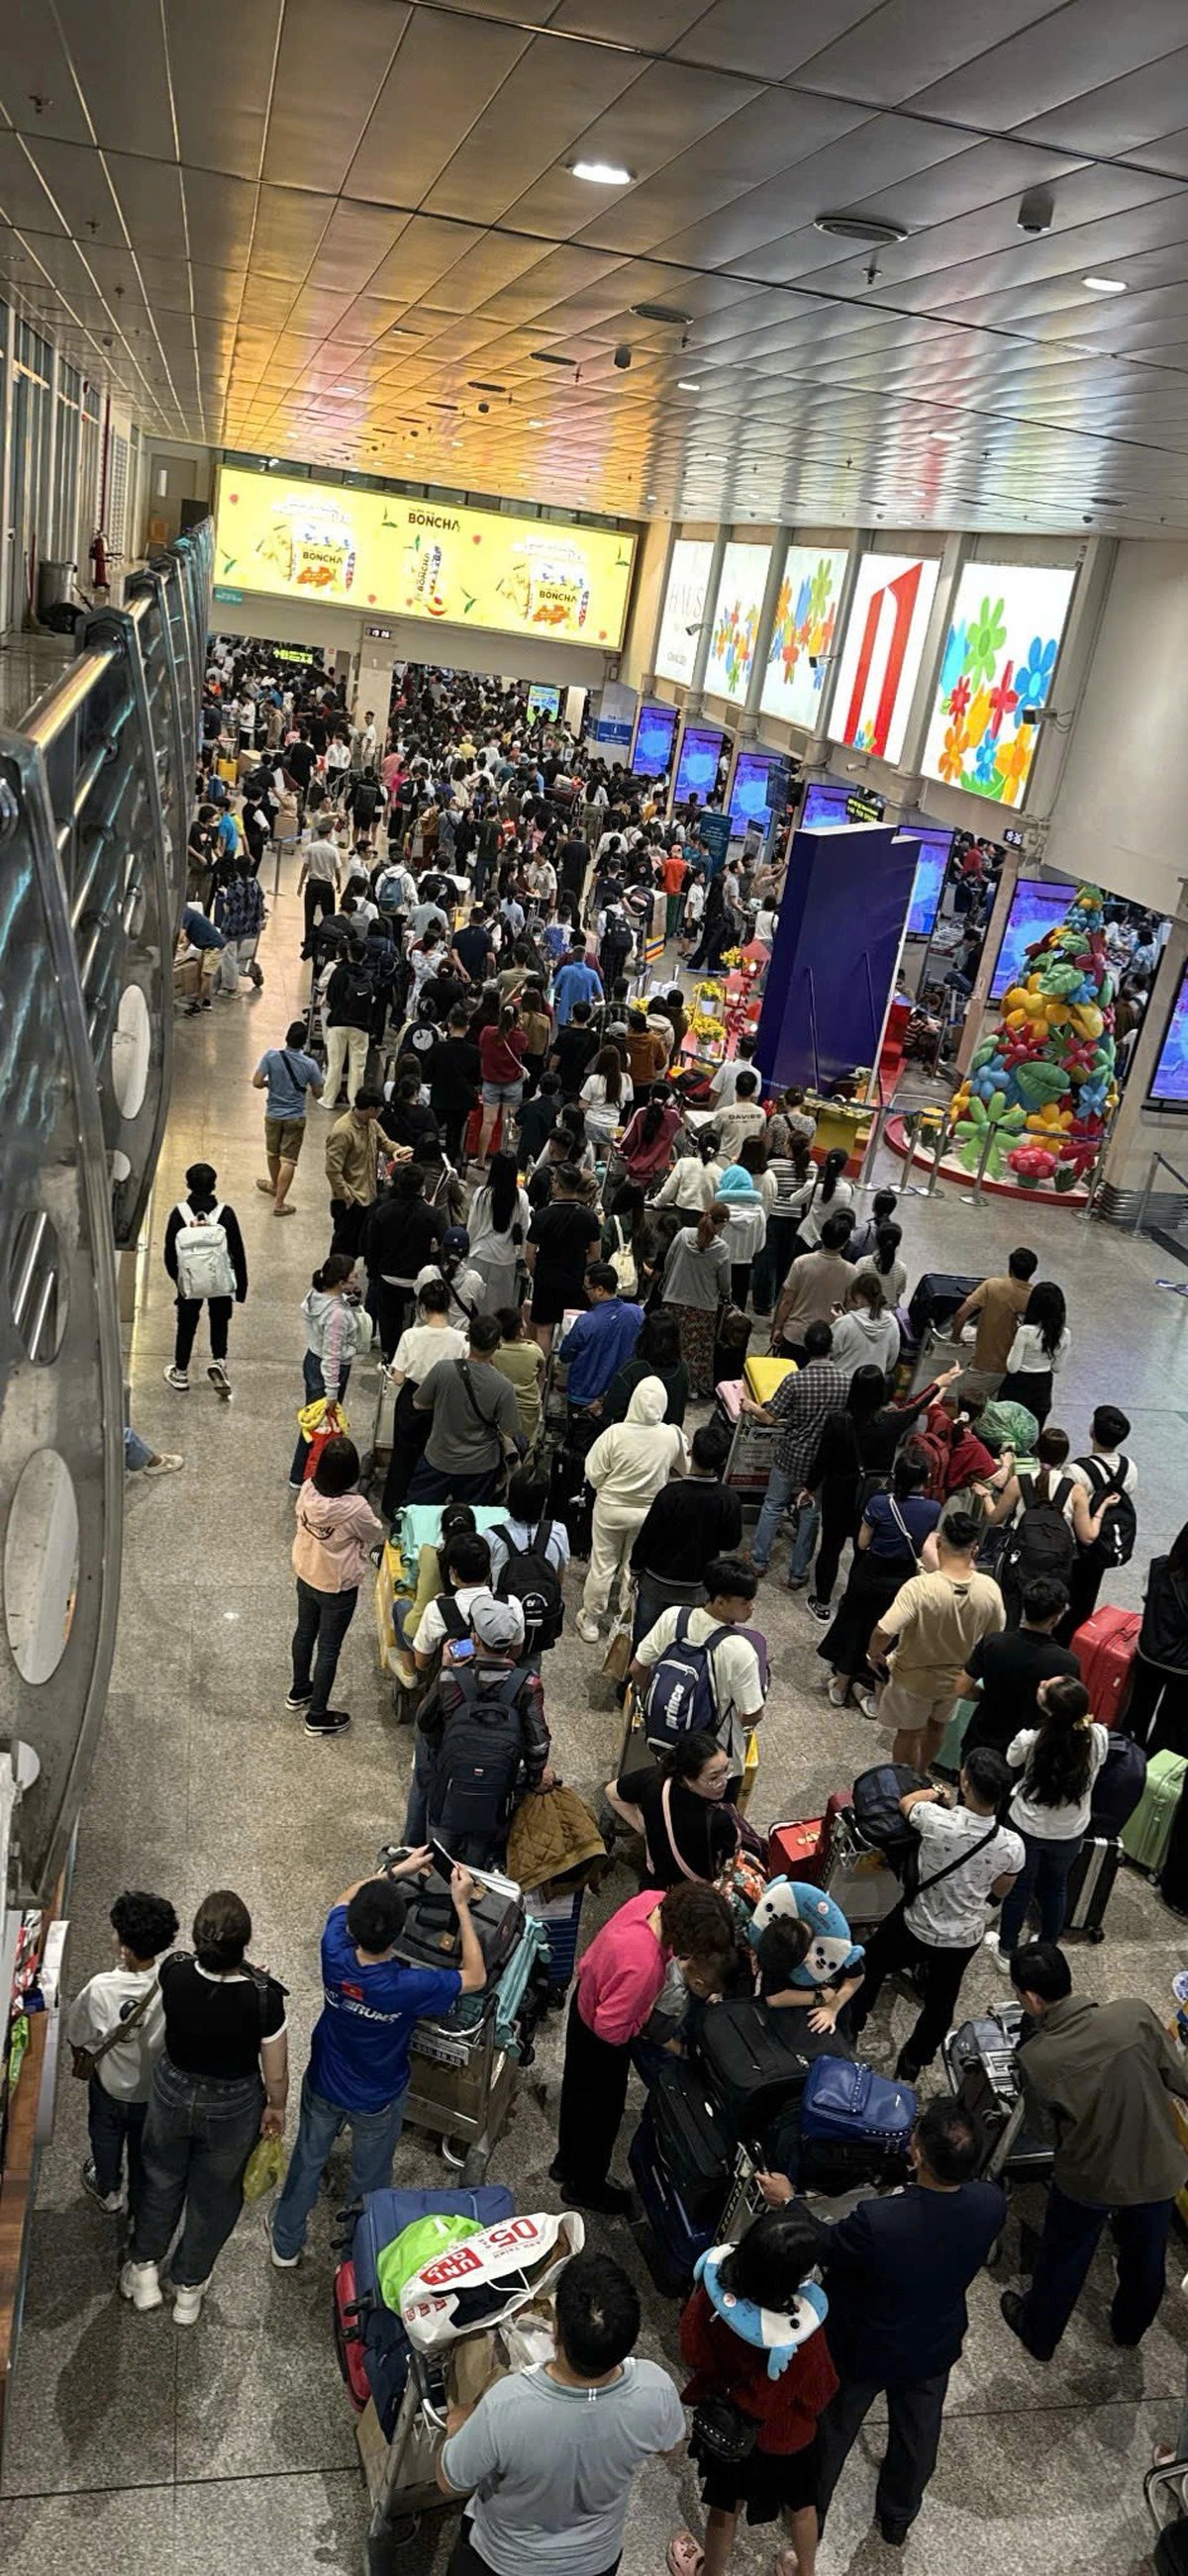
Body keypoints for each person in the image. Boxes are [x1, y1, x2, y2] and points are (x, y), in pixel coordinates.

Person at [778, 2098, 1006, 2549]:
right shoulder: (990, 2203)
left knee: (835, 2428)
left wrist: (789, 2202)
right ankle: (898, 2516)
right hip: (934, 2341)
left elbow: (828, 2245)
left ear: (917, 2153)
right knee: (918, 2433)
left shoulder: (880, 2220)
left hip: (864, 2344)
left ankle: (809, 2510)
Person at [269, 1860, 484, 2266]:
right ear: (399, 1933)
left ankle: (286, 2241)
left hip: (325, 2082)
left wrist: (394, 1871)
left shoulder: (334, 1952)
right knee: (370, 2178)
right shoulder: (407, 1986)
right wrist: (460, 1905)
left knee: (306, 2161)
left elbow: (343, 1898)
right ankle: (359, 2252)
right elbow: (475, 1976)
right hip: (379, 2095)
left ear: (352, 1929)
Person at [438, 2250, 685, 2576]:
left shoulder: (507, 2405)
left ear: (556, 2331)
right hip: (596, 2563)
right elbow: (674, 2448)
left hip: (503, 2563)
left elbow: (449, 2481)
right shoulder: (656, 2389)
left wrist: (458, 2425)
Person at [1001, 1942, 1188, 2361]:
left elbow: (1045, 2133)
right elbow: (1179, 2076)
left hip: (1091, 2179)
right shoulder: (1133, 2013)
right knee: (1146, 2258)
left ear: (1031, 1998)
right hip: (1159, 2167)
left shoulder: (1038, 2057)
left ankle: (1040, 2332)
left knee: (1064, 2256)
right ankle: (1128, 2330)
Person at [120, 1890, 288, 2327]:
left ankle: (144, 2270)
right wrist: (277, 2108)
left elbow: (204, 1986)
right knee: (215, 2195)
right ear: (245, 1943)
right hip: (233, 2104)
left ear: (196, 1937)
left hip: (173, 2089)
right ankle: (189, 2290)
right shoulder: (265, 1999)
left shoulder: (173, 1970)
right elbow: (276, 2074)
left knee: (160, 2176)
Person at [549, 1881, 735, 2213]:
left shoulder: (653, 1901)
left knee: (576, 2098)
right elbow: (610, 2028)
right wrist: (641, 2022)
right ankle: (584, 2187)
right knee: (601, 2117)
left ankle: (566, 2163)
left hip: (585, 2000)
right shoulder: (645, 1966)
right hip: (601, 2040)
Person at [672, 2207, 838, 2576]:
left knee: (724, 2509)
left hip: (729, 2430)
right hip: (790, 2439)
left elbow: (692, 2350)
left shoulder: (712, 2296)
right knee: (802, 2505)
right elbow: (818, 2393)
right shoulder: (803, 2336)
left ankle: (712, 2573)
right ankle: (804, 2571)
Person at [847, 1754, 1022, 2081]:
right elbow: (1000, 1890)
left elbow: (907, 1802)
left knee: (870, 1962)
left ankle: (852, 2024)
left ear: (965, 1783)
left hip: (917, 1924)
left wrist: (938, 1793)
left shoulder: (936, 1820)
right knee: (943, 2000)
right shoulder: (1012, 1845)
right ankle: (914, 2060)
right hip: (965, 1936)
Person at [859, 1509, 1006, 1765]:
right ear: (975, 1548)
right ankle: (922, 1774)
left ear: (939, 1542)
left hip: (914, 1676)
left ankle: (904, 1784)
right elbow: (994, 1640)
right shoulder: (989, 1589)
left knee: (909, 1732)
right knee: (937, 1728)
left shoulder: (920, 1587)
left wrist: (874, 1654)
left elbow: (885, 1630)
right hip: (955, 1677)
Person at [66, 1888, 180, 2216]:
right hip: (152, 2090)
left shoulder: (101, 1987)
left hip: (110, 2086)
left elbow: (78, 2033)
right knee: (145, 2148)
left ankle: (108, 2189)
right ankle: (141, 2201)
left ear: (124, 1948)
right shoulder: (171, 1980)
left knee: (105, 2137)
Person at [426, 1595, 551, 1863]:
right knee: (479, 1859)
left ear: (476, 1640)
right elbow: (537, 1744)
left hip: (451, 1783)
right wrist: (533, 1779)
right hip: (496, 1789)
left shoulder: (451, 1678)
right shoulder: (527, 1684)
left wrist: (444, 1668)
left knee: (440, 1856)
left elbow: (425, 1721)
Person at [818, 1441, 942, 1707]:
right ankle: (875, 1698)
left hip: (870, 1573)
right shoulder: (933, 1510)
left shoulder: (879, 1503)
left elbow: (862, 1543)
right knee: (888, 1635)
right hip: (903, 1579)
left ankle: (840, 1688)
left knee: (854, 1628)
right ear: (926, 1478)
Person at [991, 1676, 1106, 1960]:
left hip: (1027, 1826)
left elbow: (1010, 1761)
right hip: (1070, 1831)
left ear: (1048, 1709)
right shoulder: (1099, 1736)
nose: (1041, 1682)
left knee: (1019, 1887)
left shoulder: (1030, 1739)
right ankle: (1048, 1943)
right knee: (1056, 1887)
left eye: (1045, 1686)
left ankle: (1006, 1950)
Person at [631, 1558, 767, 1783]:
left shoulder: (674, 1617)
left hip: (664, 1740)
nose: (752, 1607)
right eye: (745, 1602)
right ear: (721, 1603)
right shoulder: (740, 1649)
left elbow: (637, 1667)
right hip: (710, 1758)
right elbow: (753, 1713)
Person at [287, 1433, 383, 1737]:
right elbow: (374, 1533)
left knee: (304, 1632)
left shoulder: (306, 1490)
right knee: (329, 1648)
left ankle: (299, 1689)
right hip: (337, 1584)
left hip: (307, 1572)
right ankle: (317, 1715)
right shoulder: (356, 1508)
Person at [576, 1379, 687, 1643]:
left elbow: (593, 1473)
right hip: (648, 1513)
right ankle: (624, 1620)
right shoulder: (671, 1435)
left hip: (611, 1508)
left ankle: (591, 1621)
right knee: (632, 1567)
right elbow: (686, 1468)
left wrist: (607, 1490)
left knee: (603, 1565)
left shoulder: (615, 1433)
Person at [745, 1319, 848, 1576]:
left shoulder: (795, 1380)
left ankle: (759, 1561)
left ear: (806, 1346)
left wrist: (749, 1405)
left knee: (773, 1505)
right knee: (811, 1515)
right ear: (831, 1346)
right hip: (822, 1463)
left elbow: (769, 1417)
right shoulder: (845, 1381)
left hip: (791, 1455)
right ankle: (798, 1572)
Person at [628, 1423, 742, 1642]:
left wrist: (635, 1568)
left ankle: (637, 1676)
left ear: (691, 1453)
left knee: (646, 1637)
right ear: (722, 1461)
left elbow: (647, 1536)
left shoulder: (670, 1494)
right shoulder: (729, 1499)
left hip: (657, 1581)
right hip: (698, 1585)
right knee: (685, 1639)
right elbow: (730, 1542)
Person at [984, 1424, 1104, 1627]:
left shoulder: (1018, 1482)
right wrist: (1101, 1511)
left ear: (1037, 1451)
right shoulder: (1075, 1490)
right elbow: (1088, 1536)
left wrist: (985, 1496)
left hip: (1019, 1560)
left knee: (1010, 1615)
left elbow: (995, 1518)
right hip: (1055, 1567)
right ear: (1064, 1457)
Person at [958, 1574, 1080, 1759]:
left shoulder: (993, 1643)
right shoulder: (1067, 1663)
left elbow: (960, 1688)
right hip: (1029, 1751)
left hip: (982, 1740)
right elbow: (1068, 1715)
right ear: (1055, 1619)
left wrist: (985, 1696)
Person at [410, 1312, 523, 1503]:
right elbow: (509, 1430)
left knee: (417, 1512)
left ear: (468, 1338)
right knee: (472, 1522)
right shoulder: (503, 1386)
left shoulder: (443, 1369)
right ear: (497, 1345)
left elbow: (418, 1403)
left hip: (439, 1457)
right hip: (479, 1466)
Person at [381, 1278, 470, 1519]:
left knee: (403, 1456)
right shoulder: (462, 1340)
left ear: (422, 1306)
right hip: (444, 1404)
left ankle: (394, 1506)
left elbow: (398, 1378)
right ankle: (426, 1510)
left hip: (412, 1399)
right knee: (435, 1459)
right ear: (449, 1304)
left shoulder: (411, 1336)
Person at [606, 1731, 738, 1890]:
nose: (723, 1782)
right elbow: (731, 1857)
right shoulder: (718, 1820)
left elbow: (612, 1792)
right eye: (713, 1777)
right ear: (689, 1778)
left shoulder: (654, 1780)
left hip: (656, 1884)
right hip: (697, 1895)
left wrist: (645, 1828)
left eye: (726, 1770)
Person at [162, 1161, 248, 1396]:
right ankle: (218, 1361)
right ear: (214, 1185)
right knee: (220, 1320)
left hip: (189, 1282)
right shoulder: (226, 1214)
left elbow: (170, 1253)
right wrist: (240, 1289)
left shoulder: (179, 1213)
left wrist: (179, 1280)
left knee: (187, 1325)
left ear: (188, 1184)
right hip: (218, 1281)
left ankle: (180, 1372)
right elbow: (237, 1252)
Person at [288, 1253, 367, 1487]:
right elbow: (332, 1354)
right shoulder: (336, 1315)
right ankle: (304, 1476)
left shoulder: (317, 1295)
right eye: (353, 1275)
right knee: (319, 1426)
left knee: (314, 1420)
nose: (357, 1276)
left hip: (313, 1360)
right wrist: (332, 1392)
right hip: (328, 1371)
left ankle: (301, 1474)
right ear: (341, 1282)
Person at [1063, 1402, 1138, 1634]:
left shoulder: (1077, 1471)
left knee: (1065, 1595)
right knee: (1086, 1596)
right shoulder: (1130, 1468)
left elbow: (1067, 1507)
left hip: (1076, 1543)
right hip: (1104, 1543)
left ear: (1092, 1432)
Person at [362, 1163, 446, 1360]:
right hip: (418, 1280)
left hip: (388, 1278)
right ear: (421, 1188)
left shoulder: (382, 1212)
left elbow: (372, 1247)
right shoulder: (433, 1215)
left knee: (389, 1325)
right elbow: (444, 1243)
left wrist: (374, 1274)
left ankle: (389, 1358)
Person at [525, 1162, 602, 1355]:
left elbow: (529, 1254)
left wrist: (538, 1271)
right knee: (570, 1328)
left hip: (546, 1280)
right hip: (574, 1280)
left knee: (543, 1330)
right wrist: (576, 1264)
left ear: (558, 1185)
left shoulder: (542, 1216)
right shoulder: (589, 1218)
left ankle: (542, 1375)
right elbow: (595, 1254)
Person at [252, 1018, 324, 1214]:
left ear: (286, 1038)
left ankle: (276, 1186)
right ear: (304, 1043)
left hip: (273, 1114)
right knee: (289, 1160)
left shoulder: (271, 1056)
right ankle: (279, 1203)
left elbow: (257, 1082)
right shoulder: (310, 1064)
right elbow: (319, 1093)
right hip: (295, 1117)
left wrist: (270, 1084)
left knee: (273, 1154)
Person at [1130, 1520, 1188, 1756]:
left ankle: (1127, 1758)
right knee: (1171, 1722)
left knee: (1137, 1710)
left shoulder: (1158, 1567)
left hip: (1149, 1653)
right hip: (1184, 1666)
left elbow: (1146, 1598)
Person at [660, 1203, 731, 1397]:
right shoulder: (721, 1248)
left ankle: (667, 1382)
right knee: (696, 1350)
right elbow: (724, 1284)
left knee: (671, 1344)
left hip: (673, 1299)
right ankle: (692, 1388)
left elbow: (668, 1262)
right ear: (722, 1224)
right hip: (703, 1307)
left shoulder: (683, 1235)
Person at [769, 1211, 855, 1363]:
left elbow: (787, 1301)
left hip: (795, 1334)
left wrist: (778, 1327)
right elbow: (847, 1307)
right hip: (827, 1340)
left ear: (821, 1236)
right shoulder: (851, 1271)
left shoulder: (801, 1263)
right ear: (845, 1243)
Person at [559, 1265, 644, 1413]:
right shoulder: (636, 1314)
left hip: (583, 1397)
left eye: (587, 1289)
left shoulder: (586, 1322)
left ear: (599, 1290)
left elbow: (565, 1354)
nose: (586, 1293)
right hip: (619, 1398)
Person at [950, 1246, 1038, 1391]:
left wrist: (955, 1337)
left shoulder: (992, 1285)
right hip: (1015, 1371)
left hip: (985, 1367)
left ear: (1010, 1269)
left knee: (967, 1408)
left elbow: (961, 1314)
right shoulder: (1034, 1297)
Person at [325, 1087, 393, 1260]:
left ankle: (348, 1280)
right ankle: (336, 1280)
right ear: (370, 1109)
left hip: (367, 1196)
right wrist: (347, 1196)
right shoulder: (343, 1131)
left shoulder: (371, 1124)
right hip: (349, 1200)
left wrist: (403, 1151)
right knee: (343, 1246)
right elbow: (333, 1170)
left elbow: (384, 1143)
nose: (381, 1112)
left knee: (357, 1245)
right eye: (379, 1109)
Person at [996, 1278, 1069, 1428]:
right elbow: (1057, 1368)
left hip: (1018, 1387)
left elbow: (1013, 1367)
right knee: (1032, 1432)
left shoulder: (1025, 1332)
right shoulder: (1065, 1334)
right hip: (1043, 1388)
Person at [601, 1307, 689, 1428]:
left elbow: (611, 1408)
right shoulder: (682, 1369)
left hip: (631, 1438)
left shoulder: (632, 1369)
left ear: (644, 1336)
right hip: (668, 1438)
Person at [467, 1151, 532, 1312]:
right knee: (499, 1310)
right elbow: (525, 1228)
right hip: (505, 1260)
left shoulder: (481, 1194)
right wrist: (521, 1257)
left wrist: (467, 1249)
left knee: (474, 1305)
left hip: (479, 1254)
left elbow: (472, 1226)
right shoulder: (521, 1196)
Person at [321, 941, 375, 1110]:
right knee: (358, 1066)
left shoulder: (338, 972)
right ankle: (355, 1103)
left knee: (335, 1063)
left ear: (349, 954)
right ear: (365, 956)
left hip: (338, 1023)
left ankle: (328, 1099)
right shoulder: (369, 976)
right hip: (361, 1026)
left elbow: (329, 1000)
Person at [427, 1006, 481, 1167]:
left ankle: (430, 1162)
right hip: (461, 1101)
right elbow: (477, 1079)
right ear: (468, 1027)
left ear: (449, 1025)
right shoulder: (474, 1052)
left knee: (433, 1132)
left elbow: (427, 1073)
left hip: (439, 1098)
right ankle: (452, 1167)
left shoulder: (438, 1048)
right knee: (455, 1136)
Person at [477, 1001, 529, 1163]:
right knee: (508, 1125)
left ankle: (480, 1159)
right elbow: (524, 1049)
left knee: (488, 1122)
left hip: (490, 1083)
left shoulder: (487, 1032)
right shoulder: (520, 1037)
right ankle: (503, 1161)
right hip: (512, 1084)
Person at [828, 1272, 901, 1383]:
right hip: (872, 1387)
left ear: (859, 1297)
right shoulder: (892, 1323)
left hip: (842, 1384)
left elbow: (829, 1352)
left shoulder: (846, 1323)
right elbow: (891, 1362)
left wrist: (838, 1322)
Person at [785, 1146, 854, 1253]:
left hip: (807, 1238)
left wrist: (811, 1181)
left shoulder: (815, 1186)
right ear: (845, 1166)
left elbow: (794, 1200)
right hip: (831, 1241)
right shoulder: (849, 1190)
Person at [654, 1130, 725, 1224]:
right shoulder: (720, 1173)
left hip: (679, 1219)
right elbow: (719, 1202)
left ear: (698, 1146)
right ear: (717, 1151)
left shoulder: (684, 1163)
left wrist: (656, 1203)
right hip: (703, 1223)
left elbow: (668, 1192)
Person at [297, 823, 342, 953]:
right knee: (328, 914)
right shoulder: (333, 850)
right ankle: (327, 940)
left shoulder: (310, 848)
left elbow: (305, 867)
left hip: (312, 884)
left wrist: (300, 884)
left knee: (309, 913)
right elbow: (337, 870)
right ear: (329, 834)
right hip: (326, 885)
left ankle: (308, 940)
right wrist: (339, 884)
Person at [713, 1071, 765, 1166]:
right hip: (748, 1166)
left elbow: (713, 1138)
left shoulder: (724, 1113)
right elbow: (761, 1138)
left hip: (723, 1166)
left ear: (735, 1087)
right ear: (753, 1091)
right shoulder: (761, 1114)